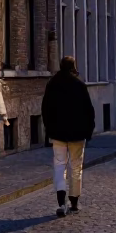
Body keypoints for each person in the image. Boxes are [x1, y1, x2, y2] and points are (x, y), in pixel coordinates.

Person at [41, 56, 95, 217]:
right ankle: (74, 202)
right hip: (77, 133)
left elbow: (45, 108)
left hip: (58, 133)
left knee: (59, 165)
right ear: (73, 67)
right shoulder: (79, 85)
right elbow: (88, 110)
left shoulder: (52, 84)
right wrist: (88, 130)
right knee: (76, 166)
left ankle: (60, 203)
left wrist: (49, 128)